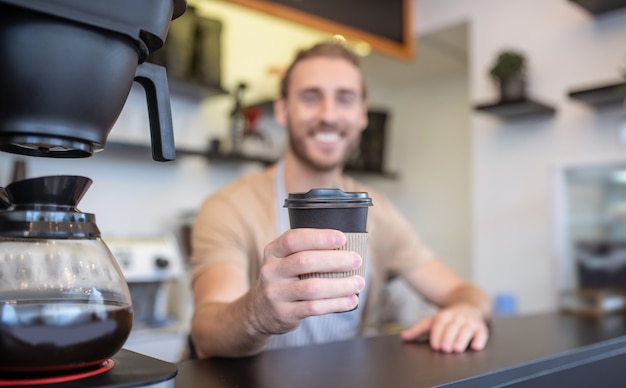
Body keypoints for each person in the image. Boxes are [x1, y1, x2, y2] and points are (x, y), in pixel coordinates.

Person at [190, 41, 491, 359]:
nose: (329, 115)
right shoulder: (230, 207)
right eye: (310, 97)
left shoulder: (379, 211)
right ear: (282, 110)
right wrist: (257, 314)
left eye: (344, 99)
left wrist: (466, 311)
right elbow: (206, 331)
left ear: (362, 114)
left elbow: (466, 292)